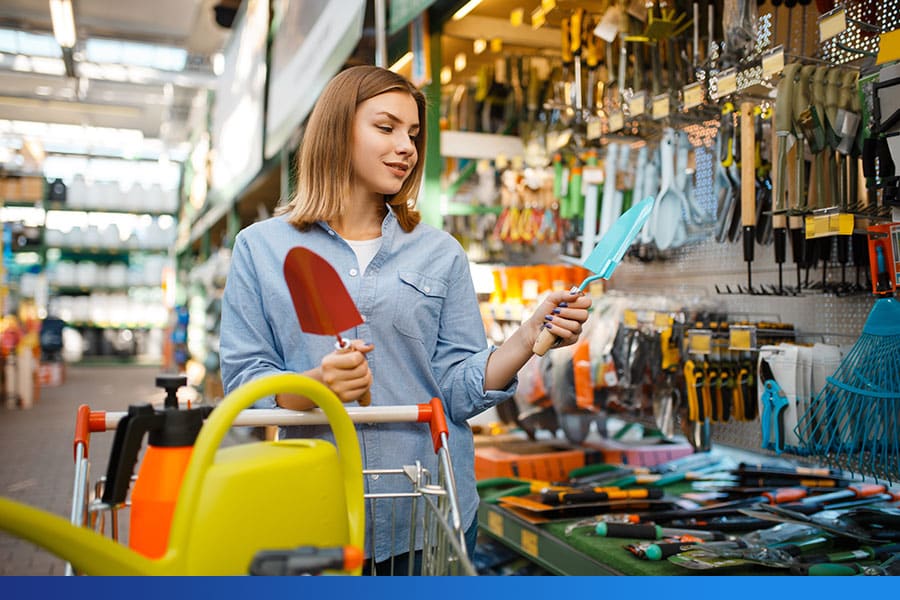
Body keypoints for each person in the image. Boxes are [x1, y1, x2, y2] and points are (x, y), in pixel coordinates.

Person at [219, 65, 591, 574]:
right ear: (337, 129)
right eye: (386, 127)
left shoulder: (440, 253)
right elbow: (244, 385)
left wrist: (527, 339)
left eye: (413, 134)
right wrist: (314, 385)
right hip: (318, 515)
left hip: (429, 513)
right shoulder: (261, 248)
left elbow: (454, 390)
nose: (408, 148)